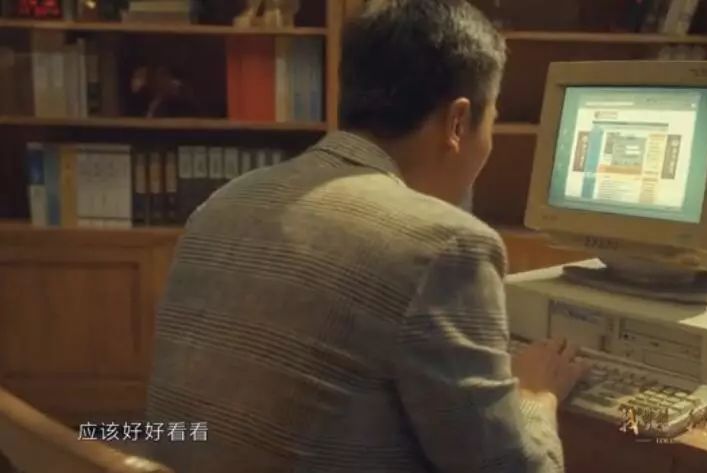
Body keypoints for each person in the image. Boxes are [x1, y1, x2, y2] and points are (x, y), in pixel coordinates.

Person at [144, 0, 589, 471]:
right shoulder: (446, 245)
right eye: (492, 119)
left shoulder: (223, 202)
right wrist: (533, 395)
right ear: (458, 123)